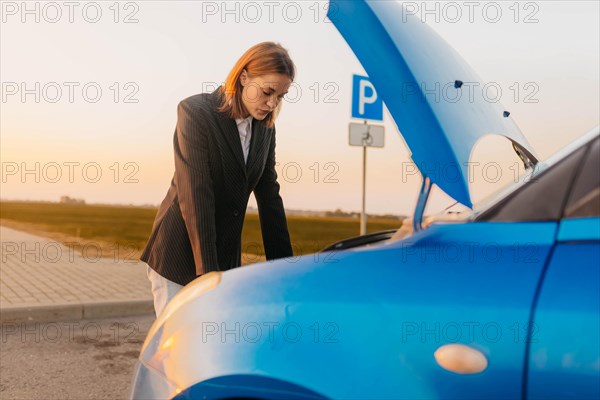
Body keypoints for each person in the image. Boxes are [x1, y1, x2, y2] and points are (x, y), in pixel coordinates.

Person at [141, 42, 295, 317]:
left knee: (212, 350)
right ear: (244, 77)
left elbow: (270, 198)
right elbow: (196, 196)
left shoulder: (265, 130)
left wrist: (285, 272)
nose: (272, 103)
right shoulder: (195, 113)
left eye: (281, 96)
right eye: (267, 92)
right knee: (178, 352)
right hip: (179, 252)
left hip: (224, 258)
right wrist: (208, 277)